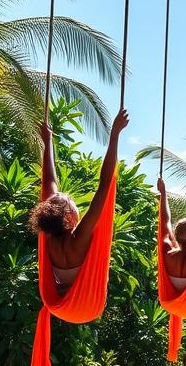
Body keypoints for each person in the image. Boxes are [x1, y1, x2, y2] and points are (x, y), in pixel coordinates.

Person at [30, 109, 129, 294]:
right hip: (84, 302)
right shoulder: (78, 237)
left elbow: (49, 182)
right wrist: (114, 134)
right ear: (68, 216)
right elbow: (104, 186)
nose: (77, 207)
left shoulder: (49, 238)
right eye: (73, 204)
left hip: (61, 300)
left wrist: (48, 142)